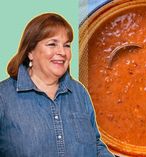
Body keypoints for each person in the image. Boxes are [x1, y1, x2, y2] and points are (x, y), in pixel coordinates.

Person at [0, 13, 114, 157]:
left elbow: (96, 145)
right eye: (52, 44)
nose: (62, 52)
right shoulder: (3, 97)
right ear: (30, 51)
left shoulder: (79, 92)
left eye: (66, 45)